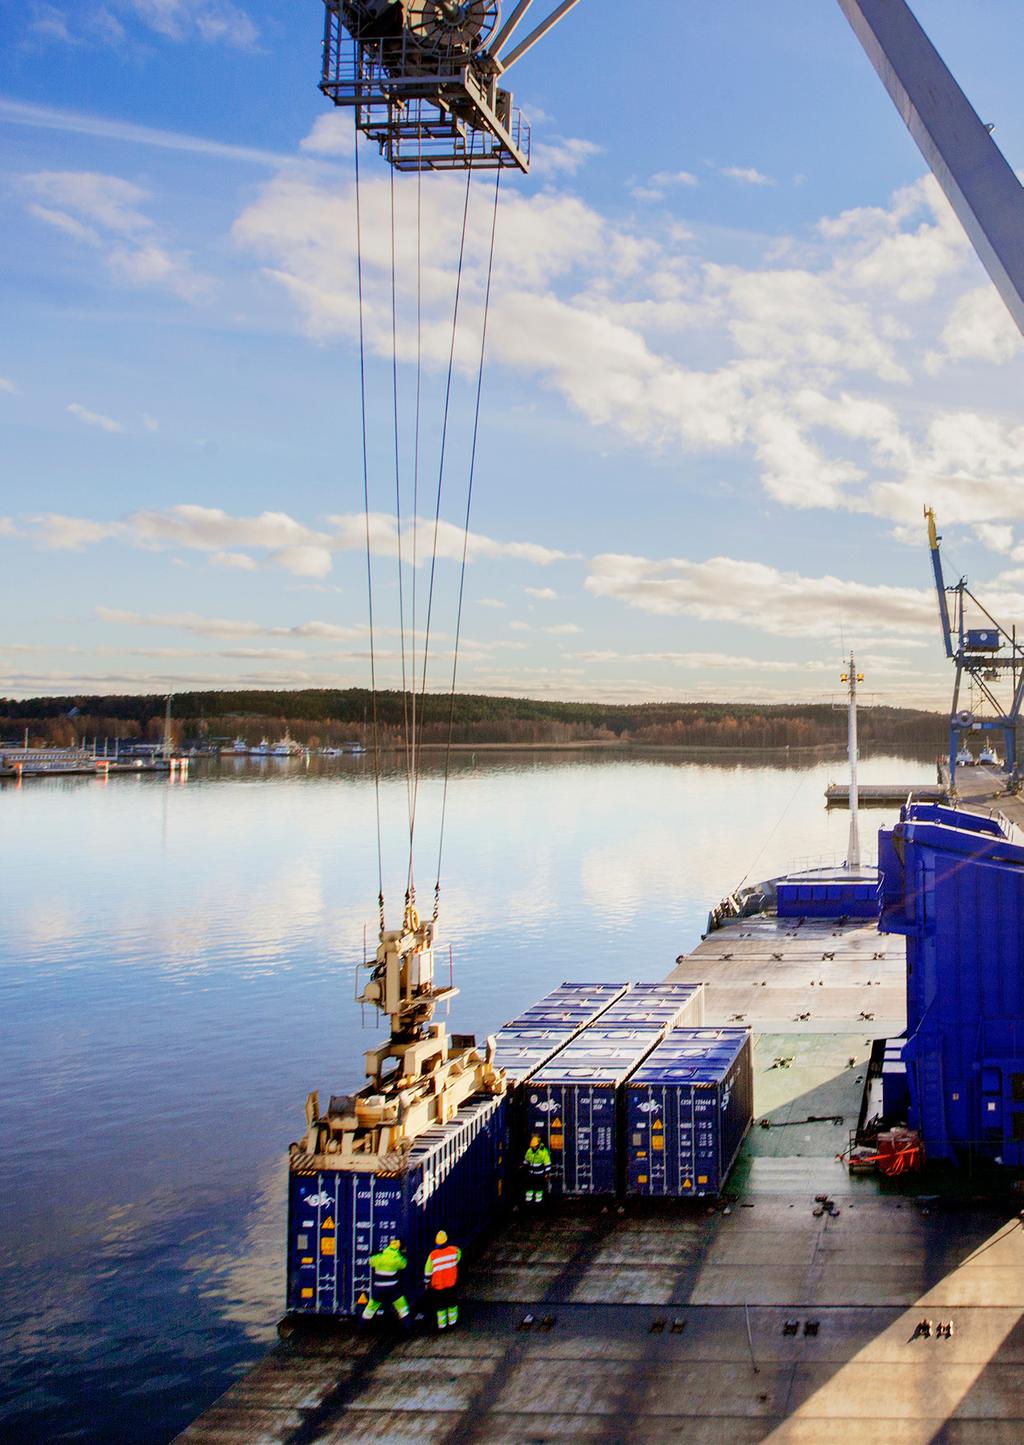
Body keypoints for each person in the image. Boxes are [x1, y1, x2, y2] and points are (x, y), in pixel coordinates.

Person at [362, 1238, 410, 1326]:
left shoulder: (378, 1258)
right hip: (393, 1290)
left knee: (370, 1309)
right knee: (403, 1308)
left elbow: (370, 1261)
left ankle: (361, 1327)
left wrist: (374, 1254)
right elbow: (404, 1265)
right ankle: (408, 1327)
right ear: (398, 1248)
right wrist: (404, 1255)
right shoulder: (397, 1259)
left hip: (379, 1289)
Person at [423, 1230, 462, 1330]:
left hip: (438, 1285)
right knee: (452, 1304)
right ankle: (453, 1323)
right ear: (446, 1240)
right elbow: (458, 1256)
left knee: (440, 1306)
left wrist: (427, 1283)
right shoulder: (454, 1251)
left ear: (436, 1242)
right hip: (451, 1283)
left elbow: (427, 1271)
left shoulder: (432, 1255)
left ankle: (442, 1326)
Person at [523, 1134, 552, 1204]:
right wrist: (523, 1167)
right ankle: (528, 1201)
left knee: (539, 1189)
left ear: (538, 1145)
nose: (533, 1148)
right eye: (532, 1147)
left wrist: (547, 1174)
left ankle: (538, 1202)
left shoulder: (543, 1152)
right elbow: (526, 1160)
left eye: (534, 1146)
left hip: (540, 1175)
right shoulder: (529, 1151)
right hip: (531, 1174)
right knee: (529, 1188)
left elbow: (547, 1164)